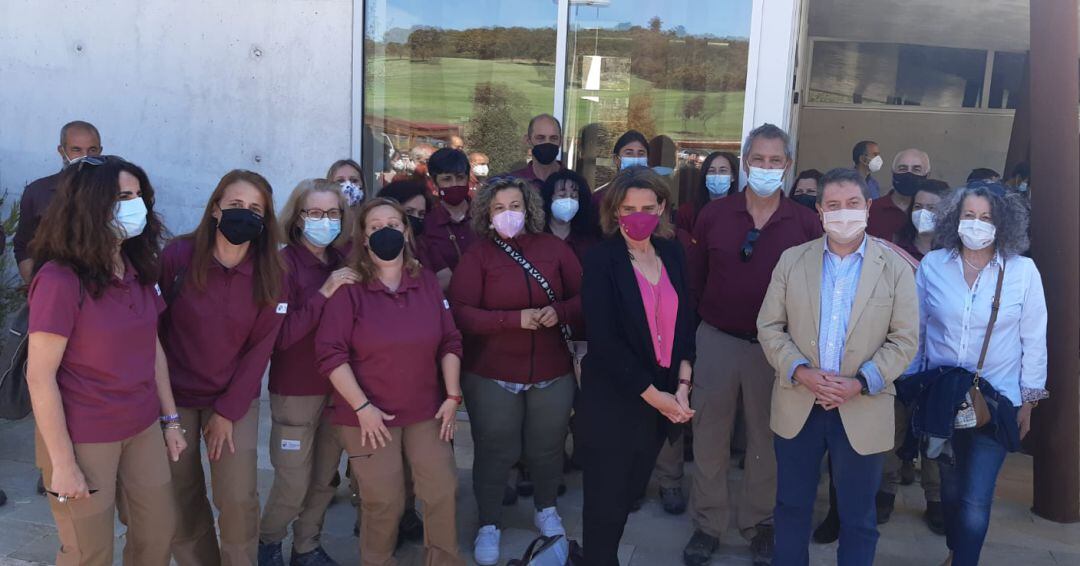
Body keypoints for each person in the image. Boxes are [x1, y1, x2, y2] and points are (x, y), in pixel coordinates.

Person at [25, 155, 183, 566]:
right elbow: (39, 377)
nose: (136, 206)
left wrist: (171, 422)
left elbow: (154, 349)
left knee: (157, 533)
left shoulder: (136, 267)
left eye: (138, 195)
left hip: (143, 428)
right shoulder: (60, 280)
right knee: (88, 552)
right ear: (90, 205)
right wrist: (62, 464)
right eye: (122, 197)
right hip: (85, 436)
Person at [757, 167, 919, 566]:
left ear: (867, 207)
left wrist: (860, 383)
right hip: (800, 402)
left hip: (862, 406)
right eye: (833, 205)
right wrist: (801, 371)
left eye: (851, 204)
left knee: (858, 518)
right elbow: (769, 327)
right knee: (791, 508)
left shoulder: (895, 267)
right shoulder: (792, 261)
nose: (843, 213)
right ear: (819, 211)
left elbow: (904, 340)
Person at [684, 124, 823, 566]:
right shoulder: (715, 215)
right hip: (718, 339)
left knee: (768, 438)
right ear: (745, 163)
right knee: (709, 435)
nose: (766, 167)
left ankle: (759, 523)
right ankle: (707, 524)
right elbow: (696, 281)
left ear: (787, 165)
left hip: (776, 349)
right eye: (758, 159)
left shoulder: (804, 223)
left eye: (775, 160)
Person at [316, 197, 465, 566]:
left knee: (441, 489)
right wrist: (363, 408)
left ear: (406, 231)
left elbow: (450, 340)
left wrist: (452, 394)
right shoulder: (348, 289)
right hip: (367, 415)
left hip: (425, 409)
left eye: (393, 224)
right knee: (384, 499)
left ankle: (443, 560)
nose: (386, 232)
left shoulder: (426, 282)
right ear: (364, 239)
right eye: (375, 227)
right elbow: (331, 354)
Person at [908, 182, 1046, 566]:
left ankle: (964, 560)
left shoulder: (1023, 272)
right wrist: (911, 385)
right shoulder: (934, 266)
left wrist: (1030, 402)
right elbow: (918, 331)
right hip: (942, 399)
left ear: (1003, 224)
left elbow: (1034, 340)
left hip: (998, 402)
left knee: (975, 499)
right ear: (954, 218)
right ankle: (957, 549)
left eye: (986, 217)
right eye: (969, 215)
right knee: (949, 492)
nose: (977, 224)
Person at [447, 176, 582, 566]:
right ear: (488, 215)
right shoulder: (478, 256)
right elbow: (461, 313)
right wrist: (511, 320)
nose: (509, 214)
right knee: (495, 449)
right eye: (500, 208)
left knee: (547, 446)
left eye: (516, 206)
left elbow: (584, 297)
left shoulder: (553, 249)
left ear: (530, 210)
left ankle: (545, 508)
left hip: (552, 370)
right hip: (492, 372)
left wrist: (560, 312)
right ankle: (489, 522)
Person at [161, 170, 287, 566]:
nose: (244, 214)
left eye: (255, 209)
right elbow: (151, 332)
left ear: (265, 220)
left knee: (237, 499)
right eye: (235, 205)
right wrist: (163, 410)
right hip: (174, 399)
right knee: (181, 496)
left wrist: (229, 412)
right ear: (215, 208)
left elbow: (259, 350)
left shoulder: (272, 272)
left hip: (234, 401)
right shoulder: (177, 257)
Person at [579, 167, 697, 565]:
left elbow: (686, 324)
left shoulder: (673, 251)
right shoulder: (601, 260)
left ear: (662, 207)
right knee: (604, 509)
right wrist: (657, 398)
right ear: (614, 211)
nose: (638, 216)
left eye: (648, 207)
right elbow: (605, 341)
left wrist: (682, 386)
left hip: (660, 400)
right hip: (615, 401)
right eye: (628, 208)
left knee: (627, 495)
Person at [258, 179, 358, 566]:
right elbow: (280, 337)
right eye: (315, 213)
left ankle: (307, 547)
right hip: (296, 390)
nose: (325, 220)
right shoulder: (282, 265)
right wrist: (324, 294)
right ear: (298, 217)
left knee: (324, 479)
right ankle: (268, 543)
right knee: (293, 481)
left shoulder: (342, 262)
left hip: (339, 387)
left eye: (332, 213)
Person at [16, 120, 103, 283]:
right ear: (62, 151)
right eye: (76, 149)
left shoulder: (114, 193)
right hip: (52, 289)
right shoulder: (38, 191)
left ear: (101, 151)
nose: (85, 157)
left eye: (92, 150)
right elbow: (23, 246)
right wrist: (37, 285)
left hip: (100, 289)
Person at [423, 148, 477, 287]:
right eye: (447, 179)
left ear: (467, 179)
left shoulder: (484, 216)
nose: (454, 184)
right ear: (434, 183)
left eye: (460, 177)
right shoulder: (427, 223)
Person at [379, 179, 446, 276]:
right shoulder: (373, 244)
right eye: (409, 211)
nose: (416, 218)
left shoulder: (423, 244)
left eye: (421, 214)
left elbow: (445, 276)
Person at [868, 148, 931, 242]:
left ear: (928, 175)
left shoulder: (934, 213)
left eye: (916, 169)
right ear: (893, 173)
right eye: (903, 169)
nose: (909, 173)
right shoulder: (871, 210)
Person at [540, 169, 601, 263]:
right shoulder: (537, 237)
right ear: (549, 198)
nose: (568, 200)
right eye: (562, 195)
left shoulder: (589, 241)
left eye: (573, 196)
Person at [675, 151, 738, 233]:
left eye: (723, 171)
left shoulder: (740, 213)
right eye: (711, 171)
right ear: (705, 176)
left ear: (733, 176)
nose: (717, 175)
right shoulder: (687, 212)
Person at [895, 179, 952, 261]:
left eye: (931, 208)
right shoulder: (899, 248)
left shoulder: (954, 250)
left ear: (946, 211)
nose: (923, 212)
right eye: (918, 206)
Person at [592, 130, 650, 206]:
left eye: (641, 153)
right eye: (629, 153)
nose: (636, 158)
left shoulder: (657, 194)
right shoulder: (600, 197)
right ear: (616, 159)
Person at [510, 114, 565, 190]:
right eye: (540, 138)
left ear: (560, 142)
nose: (547, 142)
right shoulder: (514, 183)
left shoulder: (575, 183)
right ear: (528, 141)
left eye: (553, 138)